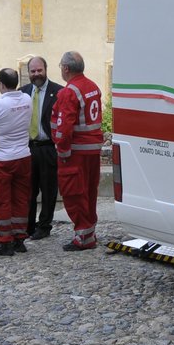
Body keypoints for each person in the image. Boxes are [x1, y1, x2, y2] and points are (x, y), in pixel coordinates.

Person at [51, 50, 103, 251]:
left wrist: (62, 152)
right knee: (89, 193)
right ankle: (89, 234)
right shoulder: (92, 87)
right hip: (92, 150)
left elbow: (64, 127)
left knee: (74, 193)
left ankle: (83, 237)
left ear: (65, 68)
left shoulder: (69, 92)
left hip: (76, 152)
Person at [0, 67, 33, 256]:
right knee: (20, 198)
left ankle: (4, 241)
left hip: (0, 160)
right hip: (23, 156)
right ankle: (19, 238)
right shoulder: (27, 100)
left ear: (1, 84)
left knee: (1, 200)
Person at [22, 55, 62, 239]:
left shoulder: (59, 92)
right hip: (28, 148)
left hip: (48, 148)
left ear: (46, 70)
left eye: (39, 70)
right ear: (28, 73)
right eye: (33, 71)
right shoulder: (22, 93)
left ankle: (44, 226)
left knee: (48, 189)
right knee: (28, 190)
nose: (36, 74)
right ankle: (28, 226)